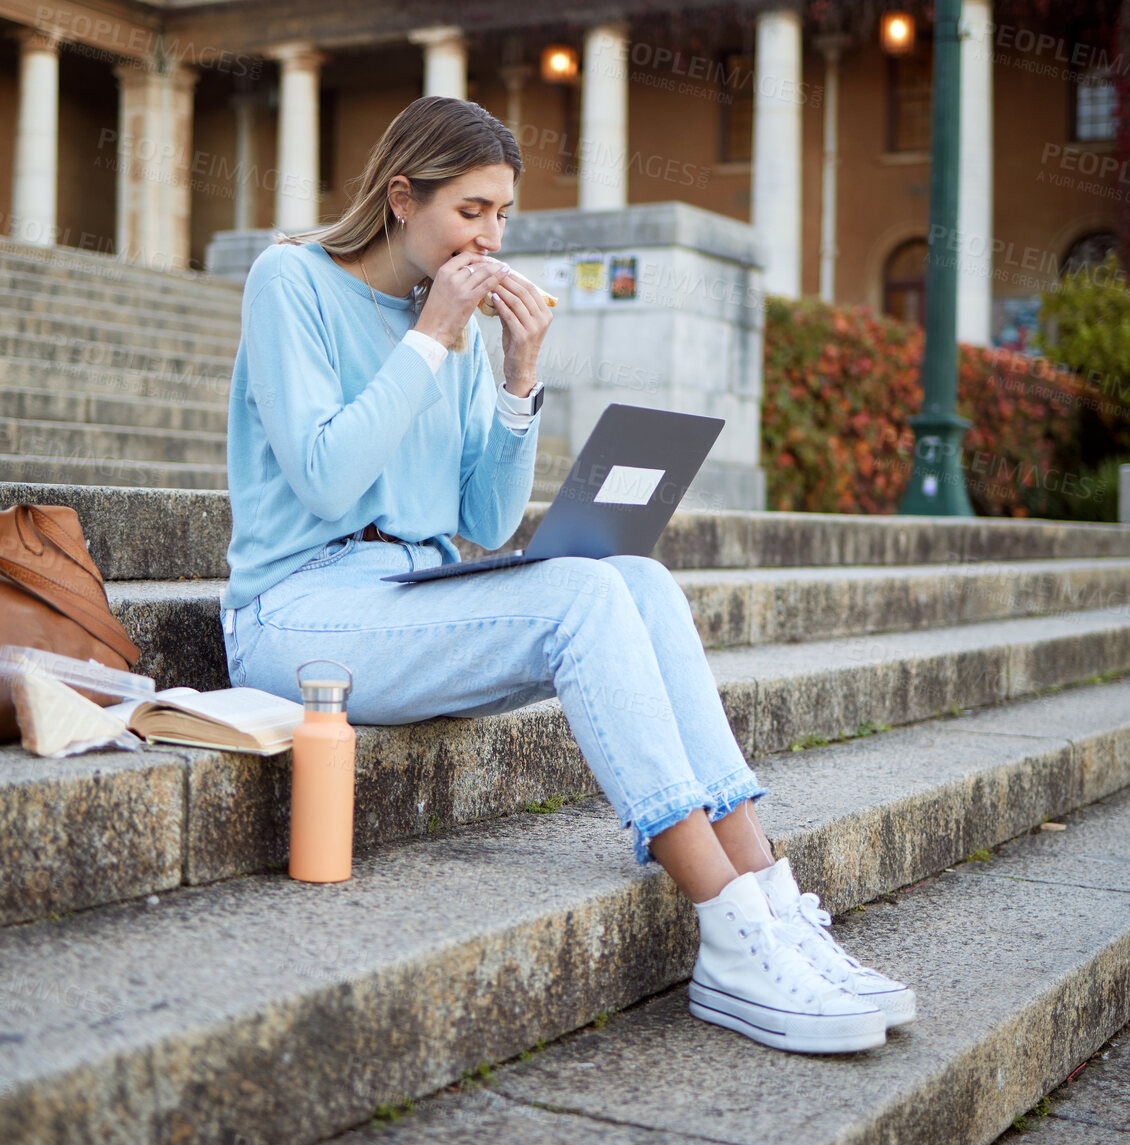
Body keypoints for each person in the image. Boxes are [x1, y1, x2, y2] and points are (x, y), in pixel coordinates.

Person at [220, 96, 913, 1053]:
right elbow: (326, 475)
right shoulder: (291, 281)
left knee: (637, 575)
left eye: (503, 215)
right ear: (400, 196)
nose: (490, 238)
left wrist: (516, 375)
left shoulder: (455, 322)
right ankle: (730, 935)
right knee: (584, 597)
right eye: (471, 211)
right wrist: (431, 335)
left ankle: (769, 896)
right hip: (297, 613)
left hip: (408, 597)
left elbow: (484, 519)